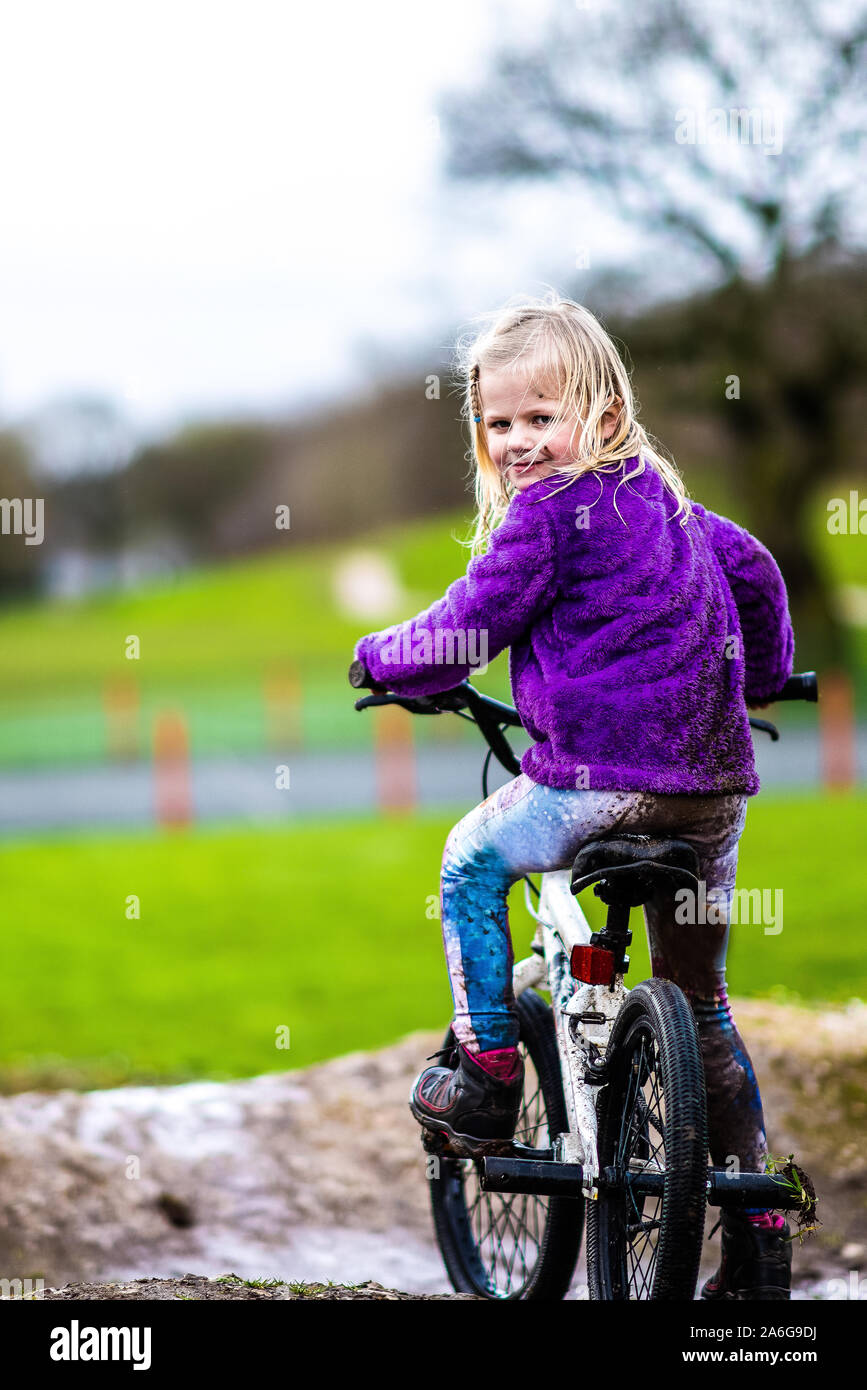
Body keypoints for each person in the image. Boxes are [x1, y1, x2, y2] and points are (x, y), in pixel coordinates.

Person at [350, 292, 795, 1299]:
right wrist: (765, 675)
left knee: (471, 857)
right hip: (713, 791)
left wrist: (380, 658)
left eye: (538, 417)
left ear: (599, 411)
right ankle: (763, 1225)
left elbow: (466, 629)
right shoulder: (678, 510)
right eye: (497, 423)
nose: (515, 442)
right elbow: (760, 572)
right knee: (705, 1005)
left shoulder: (547, 516)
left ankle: (488, 1073)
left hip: (591, 783)